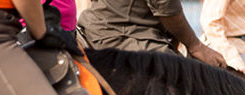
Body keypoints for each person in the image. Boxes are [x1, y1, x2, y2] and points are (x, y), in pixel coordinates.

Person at [77, 0, 226, 67]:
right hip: (124, 33)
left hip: (104, 26)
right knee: (182, 81)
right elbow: (166, 7)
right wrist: (196, 46)